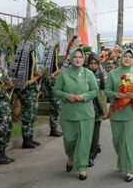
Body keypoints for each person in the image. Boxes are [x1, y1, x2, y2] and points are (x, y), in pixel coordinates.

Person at [54, 48, 99, 180]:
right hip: (68, 113)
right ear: (71, 59)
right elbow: (56, 90)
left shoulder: (88, 73)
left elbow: (95, 91)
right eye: (75, 57)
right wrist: (67, 96)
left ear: (84, 59)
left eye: (80, 57)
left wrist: (83, 96)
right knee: (69, 140)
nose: (78, 59)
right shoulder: (64, 74)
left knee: (84, 141)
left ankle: (82, 167)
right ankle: (71, 157)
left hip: (86, 113)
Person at [105, 49, 133, 182]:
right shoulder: (112, 73)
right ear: (121, 58)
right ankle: (123, 161)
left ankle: (129, 169)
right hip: (118, 112)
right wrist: (116, 94)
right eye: (125, 56)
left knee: (131, 142)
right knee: (117, 141)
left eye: (130, 57)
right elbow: (107, 91)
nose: (127, 58)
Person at [87, 53, 108, 167]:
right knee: (86, 134)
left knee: (95, 135)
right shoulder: (84, 74)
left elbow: (105, 89)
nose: (93, 66)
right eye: (91, 63)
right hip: (86, 109)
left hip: (97, 109)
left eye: (95, 63)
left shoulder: (101, 75)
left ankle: (91, 156)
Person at [17, 60, 44, 149]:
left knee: (32, 117)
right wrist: (37, 77)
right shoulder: (21, 65)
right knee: (27, 118)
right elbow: (24, 83)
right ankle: (26, 141)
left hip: (32, 96)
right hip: (26, 96)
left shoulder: (29, 63)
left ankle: (30, 138)